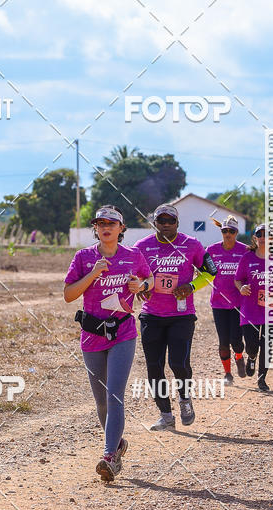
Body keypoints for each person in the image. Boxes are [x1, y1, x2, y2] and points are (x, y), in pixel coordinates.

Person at [64, 206, 152, 482]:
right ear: (96, 228)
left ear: (121, 228)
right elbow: (68, 295)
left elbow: (149, 279)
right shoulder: (83, 257)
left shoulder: (133, 255)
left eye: (111, 223)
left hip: (123, 333)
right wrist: (92, 274)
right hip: (92, 335)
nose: (105, 227)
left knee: (115, 396)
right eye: (100, 223)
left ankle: (109, 457)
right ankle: (117, 443)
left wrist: (141, 286)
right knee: (101, 402)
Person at [134, 204, 217, 431]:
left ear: (177, 223)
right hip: (151, 315)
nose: (166, 224)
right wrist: (141, 286)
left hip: (182, 315)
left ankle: (184, 399)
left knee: (178, 363)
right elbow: (132, 274)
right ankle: (166, 415)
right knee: (154, 367)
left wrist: (191, 286)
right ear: (155, 223)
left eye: (170, 220)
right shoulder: (141, 247)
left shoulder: (192, 244)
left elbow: (211, 271)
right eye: (161, 220)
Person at [233, 224, 273, 392]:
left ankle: (262, 379)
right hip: (250, 309)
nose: (262, 237)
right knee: (252, 345)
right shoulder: (247, 258)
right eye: (259, 234)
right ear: (255, 238)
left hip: (271, 309)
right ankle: (251, 357)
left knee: (267, 345)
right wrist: (241, 288)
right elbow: (237, 279)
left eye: (266, 234)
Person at [207, 215, 249, 386]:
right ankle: (227, 374)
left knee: (236, 341)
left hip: (239, 302)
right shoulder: (212, 250)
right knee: (223, 341)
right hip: (218, 302)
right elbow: (204, 269)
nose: (228, 234)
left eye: (231, 231)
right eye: (225, 231)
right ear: (221, 232)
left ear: (236, 232)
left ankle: (239, 356)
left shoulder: (245, 250)